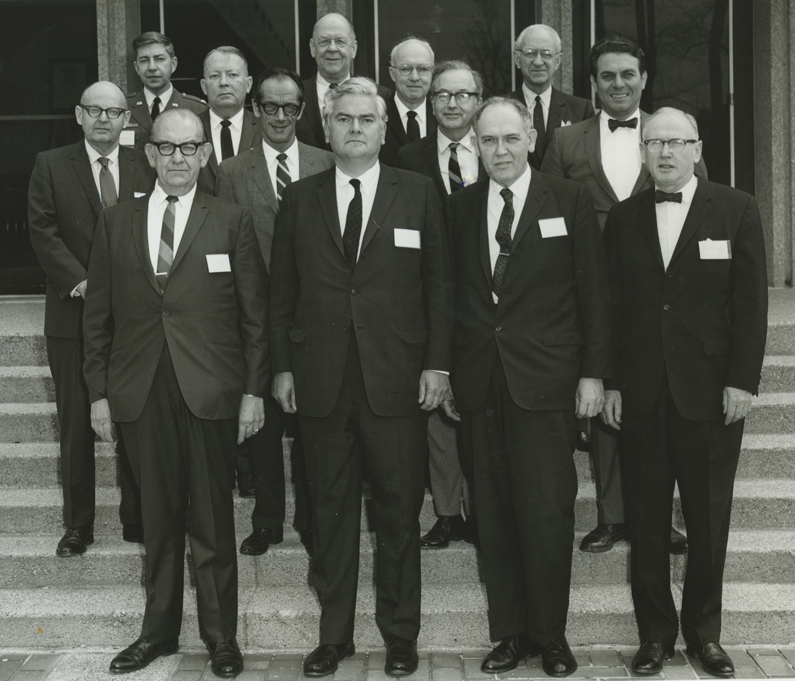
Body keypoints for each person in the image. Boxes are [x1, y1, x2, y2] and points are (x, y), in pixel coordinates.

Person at [269, 78, 454, 677]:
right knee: (330, 511)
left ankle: (401, 635)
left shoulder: (419, 192)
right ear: (327, 127)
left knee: (400, 512)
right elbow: (282, 293)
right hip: (320, 379)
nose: (354, 128)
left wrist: (437, 363)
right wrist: (281, 367)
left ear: (383, 128)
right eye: (343, 119)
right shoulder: (300, 198)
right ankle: (335, 634)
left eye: (366, 120)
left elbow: (439, 288)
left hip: (396, 380)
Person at [82, 108, 269, 678]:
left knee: (212, 520)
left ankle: (221, 639)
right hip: (139, 391)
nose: (179, 158)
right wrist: (97, 395)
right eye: (167, 148)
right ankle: (158, 633)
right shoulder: (116, 222)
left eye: (190, 148)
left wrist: (254, 393)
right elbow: (97, 320)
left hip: (210, 390)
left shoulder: (231, 220)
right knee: (157, 519)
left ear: (205, 154)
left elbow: (254, 320)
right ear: (151, 155)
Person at [447, 97, 610, 678]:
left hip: (546, 383)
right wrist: (445, 370)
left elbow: (592, 293)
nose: (500, 150)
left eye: (510, 138)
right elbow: (450, 299)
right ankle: (512, 633)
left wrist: (594, 373)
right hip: (480, 384)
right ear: (475, 144)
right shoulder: (460, 209)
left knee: (546, 511)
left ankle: (551, 634)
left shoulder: (568, 200)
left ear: (531, 135)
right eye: (488, 141)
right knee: (492, 513)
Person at [602, 107, 767, 677]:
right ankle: (654, 637)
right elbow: (611, 309)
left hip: (710, 393)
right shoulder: (622, 219)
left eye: (676, 143)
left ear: (698, 149)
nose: (664, 153)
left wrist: (742, 381)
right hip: (643, 393)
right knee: (646, 522)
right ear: (643, 152)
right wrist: (613, 382)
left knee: (708, 519)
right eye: (654, 143)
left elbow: (750, 306)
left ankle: (704, 635)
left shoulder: (737, 208)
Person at [541, 34, 704, 554]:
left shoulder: (674, 137)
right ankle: (613, 515)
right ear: (593, 83)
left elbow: (700, 208)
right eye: (607, 76)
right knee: (607, 404)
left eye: (627, 74)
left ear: (644, 79)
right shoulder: (566, 143)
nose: (618, 84)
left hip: (660, 295)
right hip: (593, 292)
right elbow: (543, 210)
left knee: (662, 407)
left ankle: (658, 519)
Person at [28, 81, 154, 557]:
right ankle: (78, 525)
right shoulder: (51, 164)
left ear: (126, 120)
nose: (104, 119)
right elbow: (42, 231)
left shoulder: (146, 164)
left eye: (114, 111)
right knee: (77, 422)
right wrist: (83, 283)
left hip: (135, 318)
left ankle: (137, 515)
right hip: (72, 315)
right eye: (94, 110)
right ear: (79, 115)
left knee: (135, 415)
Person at [216, 66, 334, 557]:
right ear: (255, 109)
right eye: (270, 106)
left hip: (314, 315)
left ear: (303, 111)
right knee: (262, 420)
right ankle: (267, 519)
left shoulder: (327, 161)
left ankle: (310, 516)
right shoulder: (229, 173)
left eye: (290, 107)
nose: (280, 116)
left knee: (311, 419)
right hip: (256, 315)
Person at [396, 60, 484, 549]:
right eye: (442, 95)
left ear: (477, 101)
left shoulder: (497, 149)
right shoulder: (407, 157)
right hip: (427, 293)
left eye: (462, 95)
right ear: (430, 104)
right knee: (436, 408)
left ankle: (482, 506)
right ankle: (448, 511)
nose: (452, 104)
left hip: (485, 296)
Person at [296, 13, 389, 151]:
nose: (332, 48)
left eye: (340, 41)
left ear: (353, 49)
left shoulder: (381, 96)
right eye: (324, 42)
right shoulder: (295, 95)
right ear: (312, 48)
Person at [507, 24, 594, 168]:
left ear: (558, 61)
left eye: (547, 54)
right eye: (530, 53)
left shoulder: (581, 110)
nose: (538, 62)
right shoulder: (500, 108)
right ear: (517, 59)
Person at [123, 31, 207, 150]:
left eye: (159, 59)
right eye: (144, 60)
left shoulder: (197, 109)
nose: (152, 67)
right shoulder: (123, 108)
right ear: (137, 68)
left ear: (173, 64)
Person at [197, 46, 262, 195]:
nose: (223, 82)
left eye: (232, 75)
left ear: (248, 84)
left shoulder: (264, 130)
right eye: (214, 76)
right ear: (203, 86)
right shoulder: (190, 130)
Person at [380, 37, 437, 167]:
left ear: (432, 73)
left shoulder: (441, 117)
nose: (414, 77)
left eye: (423, 69)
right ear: (392, 73)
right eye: (405, 69)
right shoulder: (377, 115)